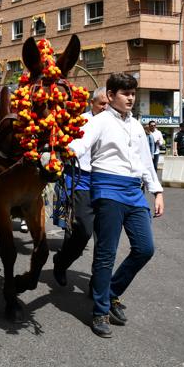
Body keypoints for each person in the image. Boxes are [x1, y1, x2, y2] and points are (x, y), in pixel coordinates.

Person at [69, 73, 164, 338]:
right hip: (107, 189)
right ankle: (100, 311)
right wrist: (56, 151)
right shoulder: (99, 121)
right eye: (125, 93)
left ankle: (110, 293)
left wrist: (157, 191)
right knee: (106, 253)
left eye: (133, 93)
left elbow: (145, 161)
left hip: (134, 191)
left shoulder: (137, 126)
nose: (131, 98)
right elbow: (79, 144)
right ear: (111, 96)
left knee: (145, 248)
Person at [53, 86, 109, 286]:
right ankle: (61, 262)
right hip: (78, 180)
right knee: (80, 232)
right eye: (102, 103)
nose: (105, 107)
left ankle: (98, 284)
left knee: (104, 237)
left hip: (105, 182)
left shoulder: (114, 123)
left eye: (108, 104)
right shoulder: (78, 122)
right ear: (92, 103)